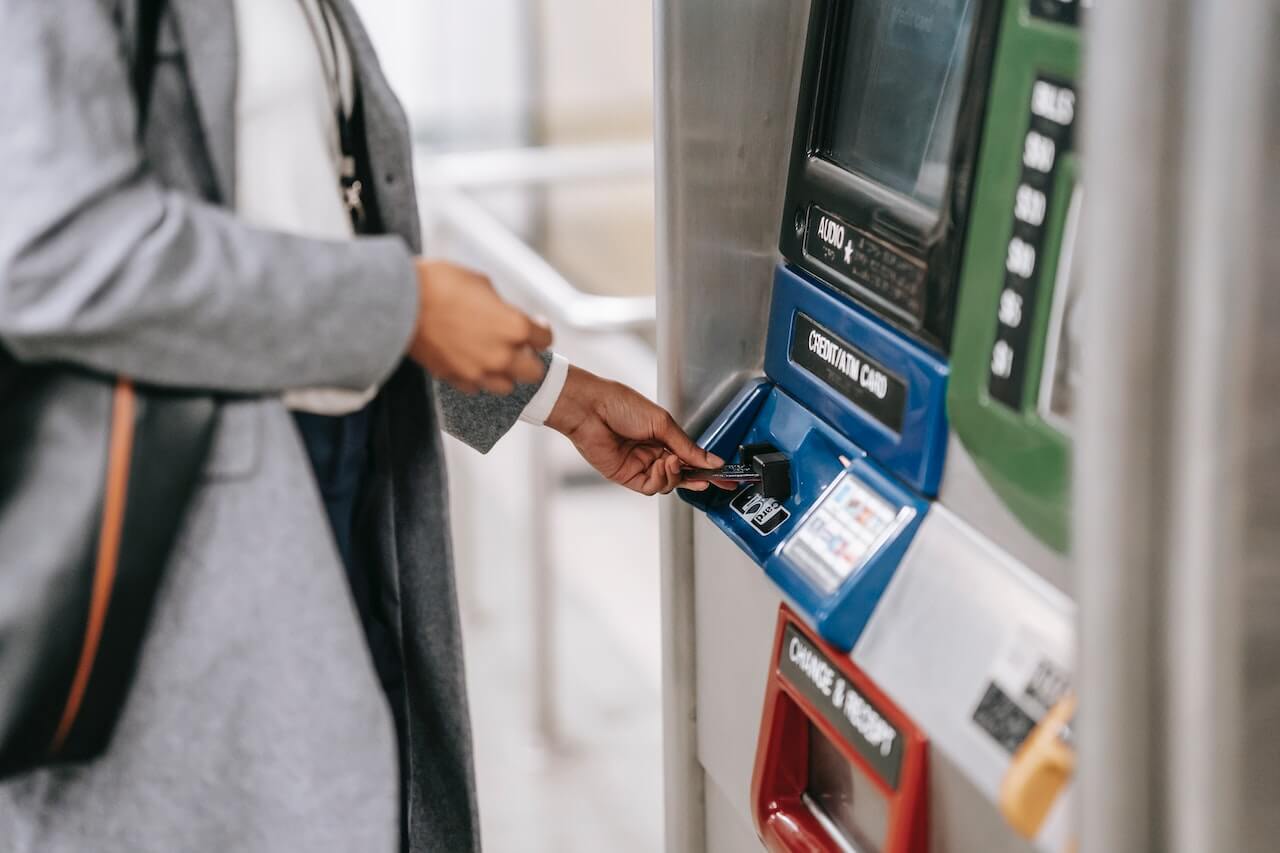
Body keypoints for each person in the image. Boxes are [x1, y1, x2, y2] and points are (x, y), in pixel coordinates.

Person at [0, 2, 723, 851]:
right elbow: (51, 252)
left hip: (342, 489)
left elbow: (308, 224)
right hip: (183, 546)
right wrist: (407, 306)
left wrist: (552, 395)